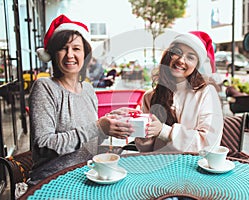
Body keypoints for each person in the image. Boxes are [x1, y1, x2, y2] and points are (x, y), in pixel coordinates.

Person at [31, 15, 138, 176]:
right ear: (53, 54)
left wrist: (111, 121)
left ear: (85, 54)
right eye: (63, 48)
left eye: (76, 48)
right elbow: (44, 147)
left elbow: (90, 142)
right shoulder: (44, 87)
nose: (69, 55)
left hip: (88, 174)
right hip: (53, 180)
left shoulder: (87, 89)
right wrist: (98, 127)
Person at [134, 31, 224, 153]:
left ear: (196, 65)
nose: (181, 60)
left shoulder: (206, 93)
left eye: (190, 57)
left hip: (193, 167)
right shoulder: (150, 96)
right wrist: (143, 134)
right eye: (177, 53)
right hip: (157, 164)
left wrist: (164, 131)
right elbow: (146, 149)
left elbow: (208, 143)